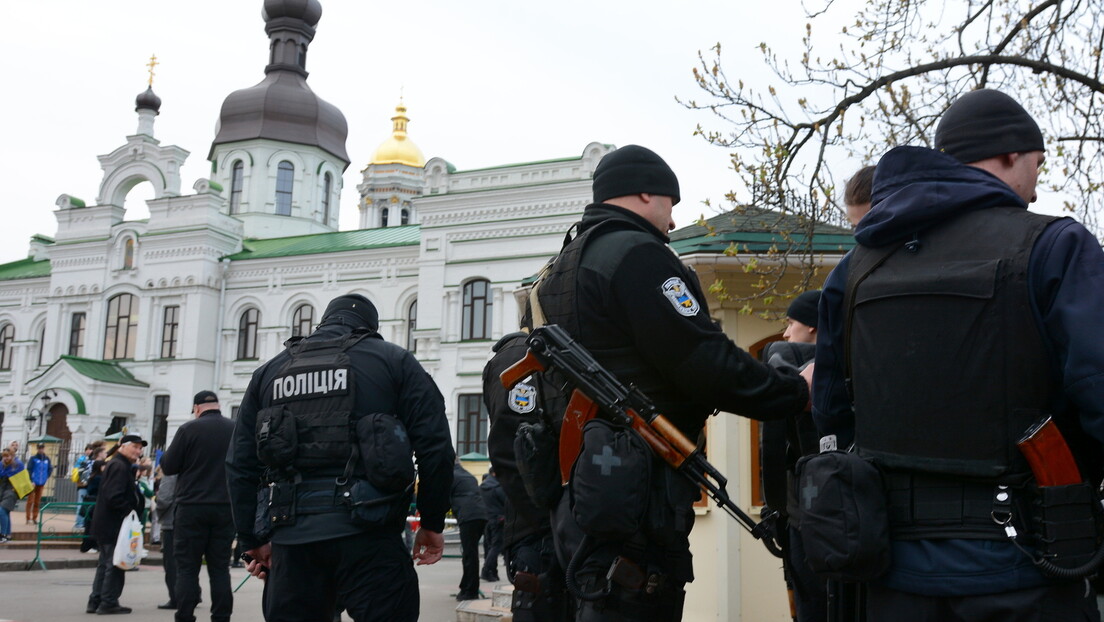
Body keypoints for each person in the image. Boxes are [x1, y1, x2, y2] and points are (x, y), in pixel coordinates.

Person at [813, 88, 1104, 621]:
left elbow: (831, 412)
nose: (1034, 191)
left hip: (891, 575)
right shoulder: (1055, 246)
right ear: (1011, 154)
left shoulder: (854, 268)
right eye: (1037, 165)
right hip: (1028, 567)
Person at [531, 144, 812, 621]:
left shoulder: (559, 268)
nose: (672, 223)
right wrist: (796, 391)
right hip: (639, 491)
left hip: (588, 486)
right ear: (646, 192)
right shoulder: (637, 254)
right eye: (670, 205)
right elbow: (703, 359)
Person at [227, 293, 455, 622]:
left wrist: (252, 539)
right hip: (371, 536)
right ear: (370, 329)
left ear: (323, 323)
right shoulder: (394, 361)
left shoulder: (269, 372)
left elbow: (240, 464)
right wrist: (432, 523)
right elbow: (435, 448)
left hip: (293, 540)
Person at [483, 323, 573, 622]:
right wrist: (550, 516)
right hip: (540, 530)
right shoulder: (518, 356)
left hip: (553, 525)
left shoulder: (560, 346)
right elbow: (511, 446)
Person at [759, 291, 827, 622]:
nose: (785, 334)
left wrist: (775, 507)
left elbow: (772, 451)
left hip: (803, 515)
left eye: (791, 323)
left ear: (814, 326)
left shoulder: (791, 367)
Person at [161, 391, 237, 622]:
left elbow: (169, 466)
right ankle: (221, 617)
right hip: (225, 507)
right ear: (218, 405)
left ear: (196, 408)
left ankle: (185, 615)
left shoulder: (188, 430)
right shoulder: (234, 428)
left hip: (191, 507)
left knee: (187, 568)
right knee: (220, 568)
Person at [87, 434, 147, 615]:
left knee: (105, 564)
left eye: (140, 448)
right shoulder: (119, 466)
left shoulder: (118, 464)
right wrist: (129, 511)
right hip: (113, 524)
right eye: (134, 447)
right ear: (122, 446)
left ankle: (96, 601)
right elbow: (114, 496)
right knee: (114, 564)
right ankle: (108, 602)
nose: (138, 451)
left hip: (107, 523)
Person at [451, 461, 488, 601]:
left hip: (468, 516)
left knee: (469, 555)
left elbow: (442, 498)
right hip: (481, 514)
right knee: (470, 554)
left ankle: (470, 591)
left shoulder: (451, 475)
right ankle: (466, 586)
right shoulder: (468, 475)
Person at [480, 467, 506, 582]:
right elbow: (506, 502)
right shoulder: (498, 487)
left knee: (490, 547)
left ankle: (492, 572)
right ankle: (486, 570)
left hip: (486, 519)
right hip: (499, 519)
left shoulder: (482, 487)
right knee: (496, 547)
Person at [0, 448, 25, 543]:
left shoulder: (18, 464)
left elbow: (20, 476)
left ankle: (3, 535)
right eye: (4, 456)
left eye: (7, 456)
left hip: (12, 491)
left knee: (2, 511)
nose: (5, 458)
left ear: (12, 455)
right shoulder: (2, 464)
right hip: (3, 490)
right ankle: (8, 535)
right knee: (5, 512)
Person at [25, 443, 52, 524]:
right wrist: (31, 480)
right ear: (37, 449)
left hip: (41, 483)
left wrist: (46, 477)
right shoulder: (33, 458)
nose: (41, 449)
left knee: (37, 502)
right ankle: (28, 518)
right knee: (30, 501)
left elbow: (50, 469)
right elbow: (29, 469)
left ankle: (34, 518)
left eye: (42, 448)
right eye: (39, 448)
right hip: (33, 483)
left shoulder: (47, 459)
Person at [74, 443, 96, 529]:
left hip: (88, 485)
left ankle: (83, 522)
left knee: (86, 504)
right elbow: (79, 471)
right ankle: (78, 523)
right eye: (88, 449)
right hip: (82, 485)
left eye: (91, 449)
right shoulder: (82, 459)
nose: (90, 451)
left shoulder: (92, 459)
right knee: (80, 503)